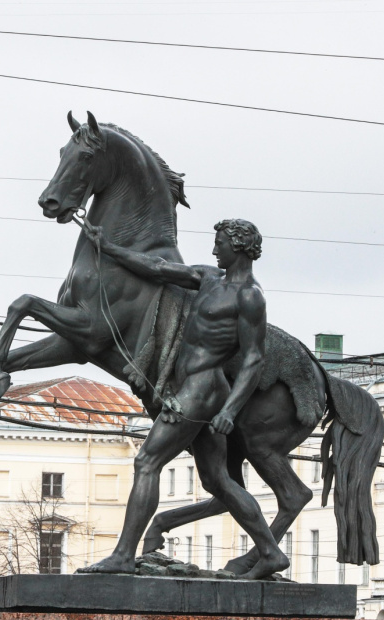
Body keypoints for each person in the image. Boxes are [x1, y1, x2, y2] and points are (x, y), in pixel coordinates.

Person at [77, 218, 288, 579]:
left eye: (220, 243)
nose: (214, 249)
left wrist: (230, 410)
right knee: (217, 480)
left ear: (238, 246)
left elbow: (254, 359)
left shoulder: (249, 296)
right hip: (194, 387)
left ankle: (123, 556)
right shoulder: (209, 278)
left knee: (147, 461)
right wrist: (107, 247)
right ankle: (270, 553)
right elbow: (159, 268)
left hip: (202, 389)